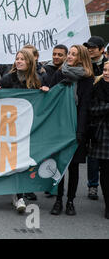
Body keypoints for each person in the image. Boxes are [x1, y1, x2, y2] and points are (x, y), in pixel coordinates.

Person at [0, 49, 49, 213]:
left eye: (22, 59)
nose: (18, 61)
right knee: (12, 160)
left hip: (29, 128)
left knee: (23, 161)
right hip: (11, 127)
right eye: (17, 58)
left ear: (30, 62)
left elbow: (43, 103)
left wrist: (46, 91)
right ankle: (16, 193)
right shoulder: (8, 78)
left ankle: (19, 194)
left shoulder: (38, 80)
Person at [49, 45, 94, 216]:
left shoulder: (87, 78)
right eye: (70, 54)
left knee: (73, 166)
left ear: (81, 58)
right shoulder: (60, 73)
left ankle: (70, 201)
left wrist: (80, 131)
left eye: (73, 55)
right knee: (59, 165)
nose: (69, 57)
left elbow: (84, 107)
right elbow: (51, 96)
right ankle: (58, 200)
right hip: (60, 126)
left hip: (76, 125)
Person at [83, 36, 108, 201]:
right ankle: (93, 186)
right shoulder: (85, 65)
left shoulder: (106, 64)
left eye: (93, 47)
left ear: (101, 49)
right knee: (92, 157)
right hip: (95, 121)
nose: (90, 49)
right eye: (88, 47)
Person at [88, 61, 109, 219]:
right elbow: (91, 109)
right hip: (102, 134)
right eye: (105, 70)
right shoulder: (97, 86)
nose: (106, 72)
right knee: (106, 172)